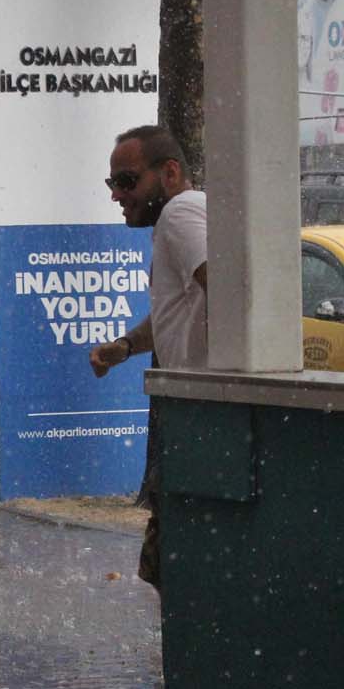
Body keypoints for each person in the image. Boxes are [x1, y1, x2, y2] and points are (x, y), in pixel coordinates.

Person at [88, 124, 208, 589]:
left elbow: (228, 291)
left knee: (173, 566)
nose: (118, 195)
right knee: (168, 563)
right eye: (112, 184)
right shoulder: (181, 219)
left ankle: (187, 658)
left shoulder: (180, 214)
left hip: (198, 413)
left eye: (127, 181)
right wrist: (126, 347)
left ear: (170, 172)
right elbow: (177, 308)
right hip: (193, 412)